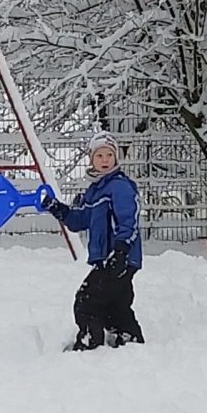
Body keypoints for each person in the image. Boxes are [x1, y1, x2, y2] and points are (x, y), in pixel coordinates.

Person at [43, 133, 143, 349]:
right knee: (116, 302)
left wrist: (121, 251)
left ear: (116, 159)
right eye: (99, 155)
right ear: (91, 159)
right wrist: (58, 209)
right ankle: (127, 336)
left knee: (87, 300)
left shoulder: (119, 186)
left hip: (118, 256)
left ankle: (90, 340)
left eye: (109, 155)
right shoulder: (95, 191)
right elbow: (80, 219)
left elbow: (129, 220)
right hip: (108, 258)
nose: (105, 160)